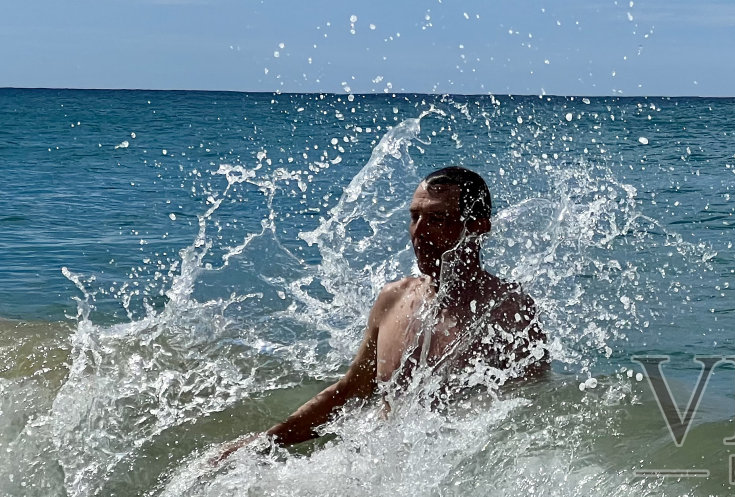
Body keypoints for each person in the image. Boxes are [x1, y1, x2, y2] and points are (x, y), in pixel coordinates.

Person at [216, 166, 548, 461]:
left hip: (451, 482)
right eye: (414, 217)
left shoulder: (507, 309)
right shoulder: (394, 298)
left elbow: (531, 410)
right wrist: (267, 441)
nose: (418, 233)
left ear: (477, 227)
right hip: (375, 469)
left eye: (437, 219)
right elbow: (351, 391)